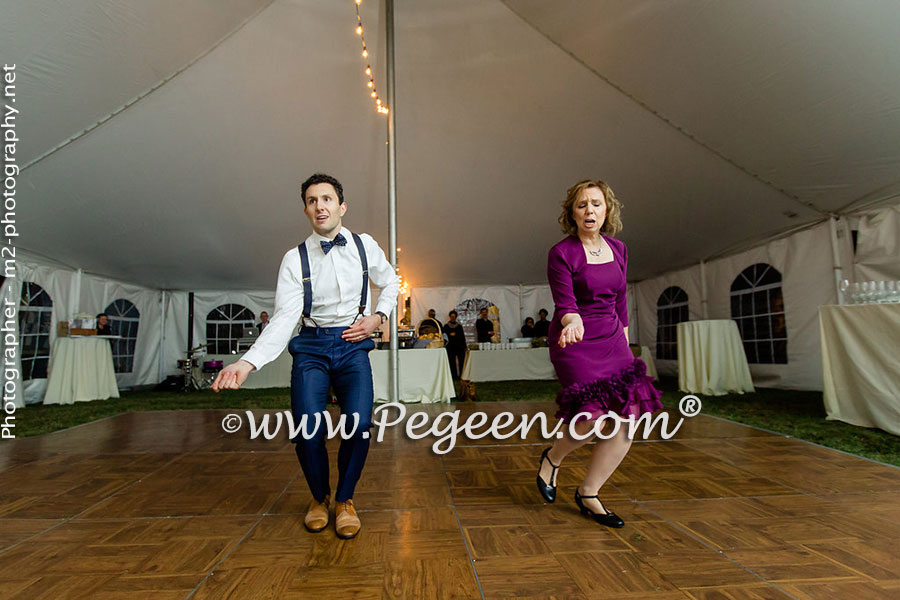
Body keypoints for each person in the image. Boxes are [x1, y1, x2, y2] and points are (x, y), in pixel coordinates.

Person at [212, 173, 399, 540]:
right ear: (306, 210)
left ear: (341, 206)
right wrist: (247, 362)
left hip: (352, 345)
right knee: (307, 430)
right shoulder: (294, 259)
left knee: (359, 427)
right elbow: (284, 318)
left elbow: (391, 280)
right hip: (311, 346)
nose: (320, 206)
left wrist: (380, 316)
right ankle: (319, 498)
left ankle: (345, 501)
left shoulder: (365, 245)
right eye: (312, 201)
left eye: (327, 199)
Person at [536, 179, 662, 528]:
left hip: (612, 339)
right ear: (572, 213)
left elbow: (620, 299)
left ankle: (589, 492)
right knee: (590, 417)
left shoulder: (619, 248)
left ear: (607, 210)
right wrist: (572, 321)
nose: (589, 210)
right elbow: (566, 302)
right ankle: (553, 457)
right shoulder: (561, 253)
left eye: (596, 204)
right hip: (573, 339)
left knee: (627, 420)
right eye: (581, 205)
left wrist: (624, 339)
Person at [443, 310, 467, 379]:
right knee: (451, 362)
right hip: (450, 347)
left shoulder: (459, 326)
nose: (453, 318)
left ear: (456, 317)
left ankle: (462, 375)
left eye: (454, 317)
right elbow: (444, 336)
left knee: (461, 361)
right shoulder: (446, 326)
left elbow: (462, 336)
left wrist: (464, 346)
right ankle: (453, 376)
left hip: (459, 347)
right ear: (450, 317)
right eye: (452, 317)